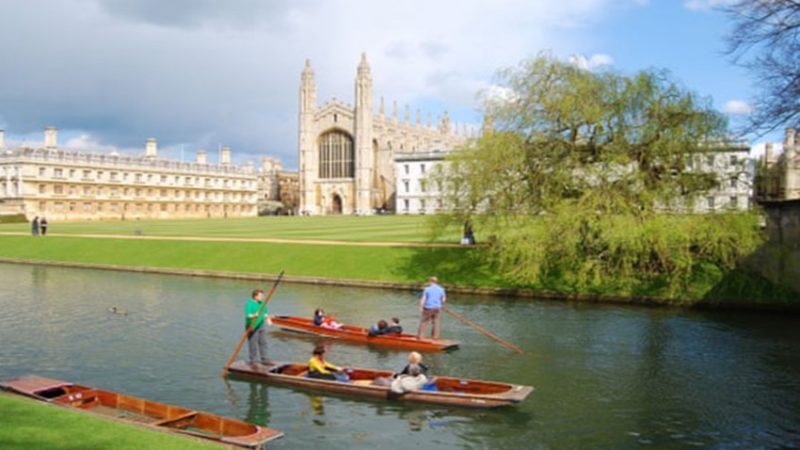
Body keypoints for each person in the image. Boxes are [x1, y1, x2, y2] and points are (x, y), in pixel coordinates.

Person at [245, 288, 272, 366]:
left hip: (261, 324)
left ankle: (265, 359)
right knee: (253, 343)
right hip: (252, 326)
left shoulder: (262, 303)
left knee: (263, 342)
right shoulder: (249, 304)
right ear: (255, 296)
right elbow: (248, 315)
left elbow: (265, 313)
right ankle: (253, 360)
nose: (262, 297)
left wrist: (268, 319)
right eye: (260, 296)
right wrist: (254, 315)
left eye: (262, 296)